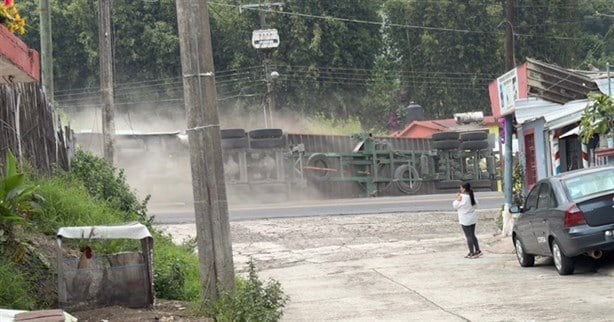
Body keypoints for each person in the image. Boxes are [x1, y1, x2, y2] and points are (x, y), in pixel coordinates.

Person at [453, 182, 481, 259]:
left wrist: (457, 199)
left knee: (468, 236)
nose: (460, 189)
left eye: (461, 188)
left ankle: (471, 252)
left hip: (465, 219)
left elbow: (455, 206)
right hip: (472, 217)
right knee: (472, 234)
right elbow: (476, 205)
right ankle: (478, 250)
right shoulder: (471, 195)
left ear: (464, 189)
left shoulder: (462, 197)